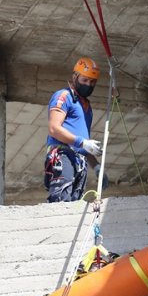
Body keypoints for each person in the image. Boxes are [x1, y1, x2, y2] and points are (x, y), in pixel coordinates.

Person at [45, 57, 103, 203]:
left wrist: (96, 166)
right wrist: (83, 143)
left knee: (74, 205)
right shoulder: (64, 96)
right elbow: (54, 128)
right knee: (61, 200)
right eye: (84, 80)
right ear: (75, 76)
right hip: (63, 155)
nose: (88, 85)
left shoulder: (86, 108)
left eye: (92, 82)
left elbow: (83, 145)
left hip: (79, 161)